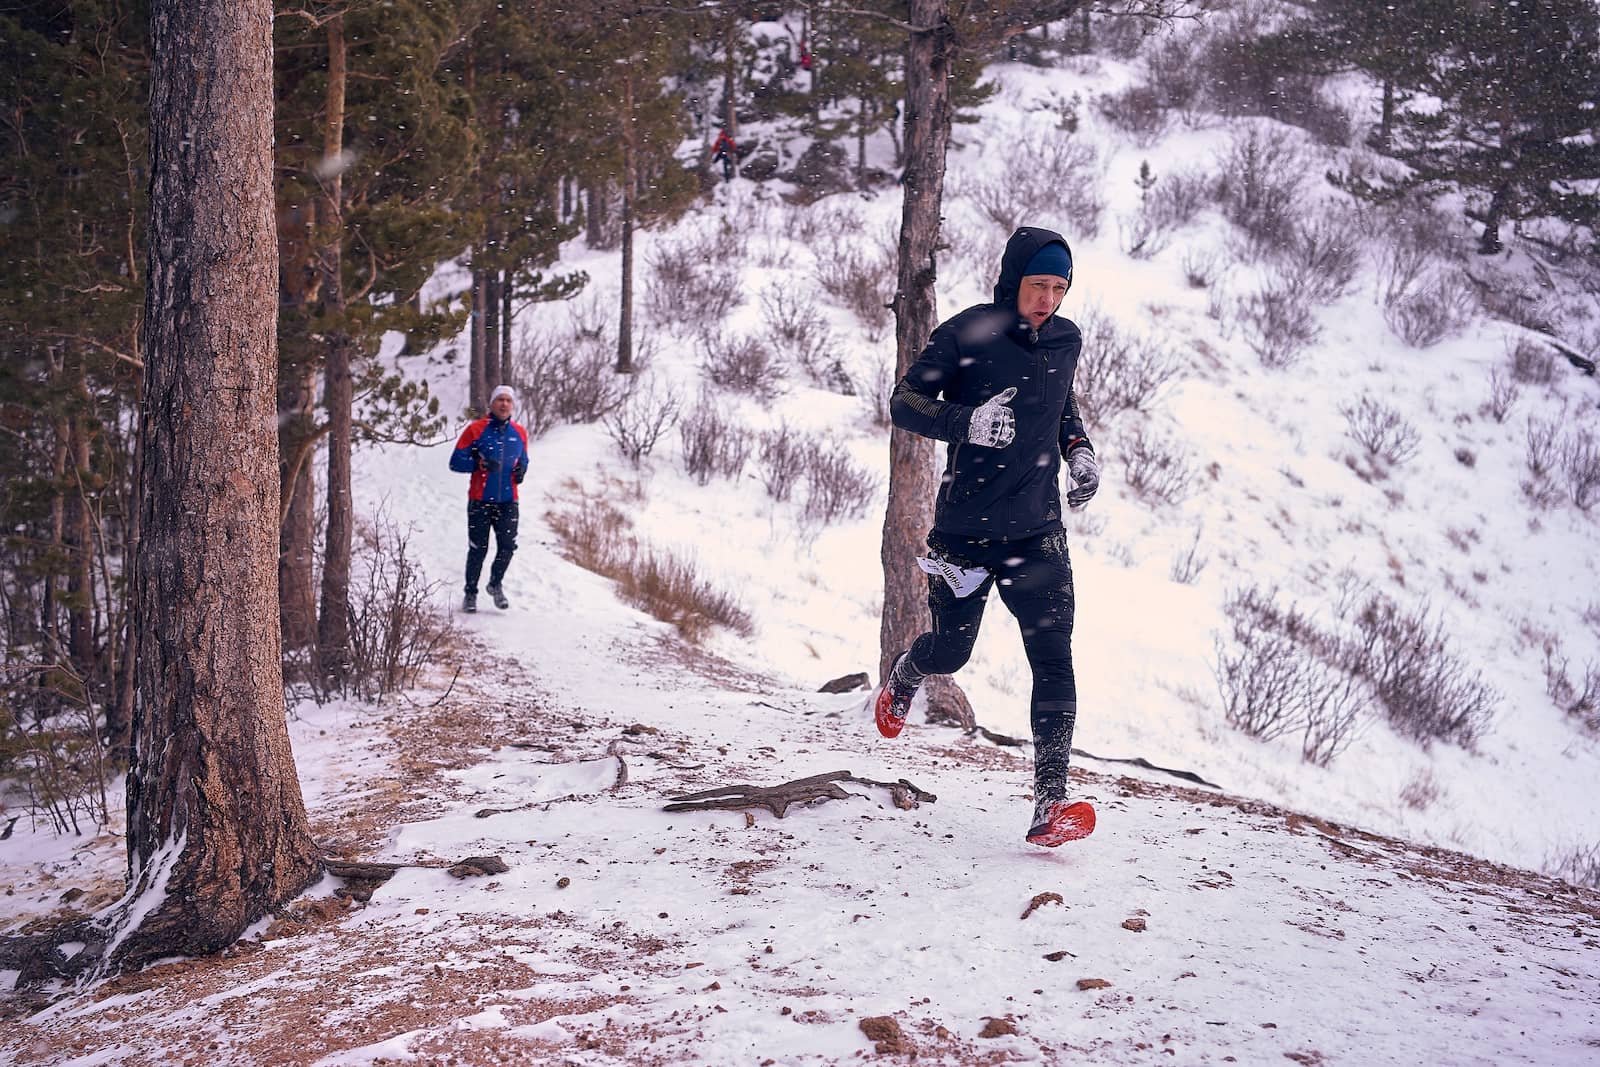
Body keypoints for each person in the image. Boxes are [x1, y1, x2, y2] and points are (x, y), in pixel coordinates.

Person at [876, 226, 1103, 848]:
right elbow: (903, 403)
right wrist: (964, 420)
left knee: (1054, 661)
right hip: (965, 534)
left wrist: (1078, 451)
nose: (1048, 300)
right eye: (1038, 285)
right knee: (952, 653)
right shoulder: (967, 332)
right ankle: (906, 673)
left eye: (1059, 288)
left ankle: (1049, 805)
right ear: (1013, 280)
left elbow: (1060, 407)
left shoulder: (1065, 339)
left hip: (1037, 533)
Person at [449, 384, 529, 612]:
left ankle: (495, 584)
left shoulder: (519, 433)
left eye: (508, 400)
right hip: (480, 500)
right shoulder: (476, 430)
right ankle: (470, 594)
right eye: (500, 400)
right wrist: (479, 464)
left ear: (512, 406)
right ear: (492, 404)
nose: (504, 404)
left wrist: (521, 471)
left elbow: (524, 459)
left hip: (508, 501)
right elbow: (455, 462)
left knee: (507, 547)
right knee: (478, 549)